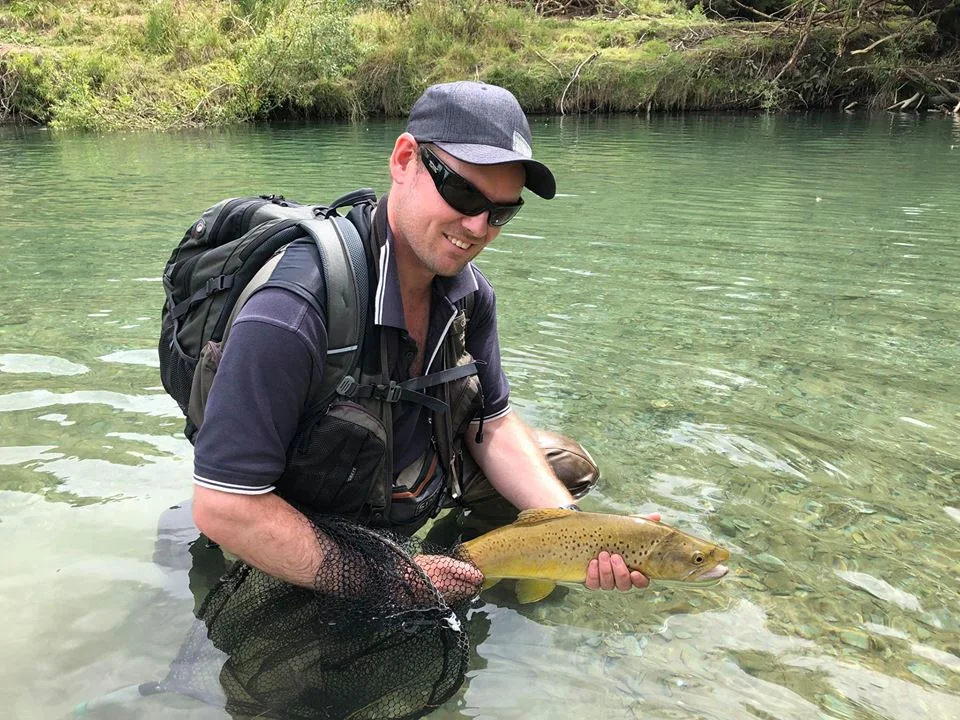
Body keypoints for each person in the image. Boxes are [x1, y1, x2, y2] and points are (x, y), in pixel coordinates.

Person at [190, 80, 654, 601]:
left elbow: (493, 423)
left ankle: (480, 568)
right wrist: (386, 579)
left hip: (400, 474)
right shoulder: (291, 311)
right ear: (405, 159)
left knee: (566, 470)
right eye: (462, 192)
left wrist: (575, 533)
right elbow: (223, 507)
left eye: (501, 211)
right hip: (305, 508)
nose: (478, 226)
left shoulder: (470, 295)